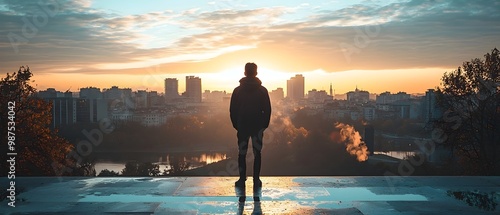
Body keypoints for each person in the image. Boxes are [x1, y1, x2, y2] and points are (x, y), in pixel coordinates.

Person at [230, 62, 271, 187]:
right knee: (257, 153)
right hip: (257, 125)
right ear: (256, 73)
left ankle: (242, 179)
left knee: (241, 153)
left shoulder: (237, 91)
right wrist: (263, 125)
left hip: (242, 125)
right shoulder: (262, 91)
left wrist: (237, 124)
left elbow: (233, 110)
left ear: (244, 73)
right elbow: (267, 110)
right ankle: (256, 179)